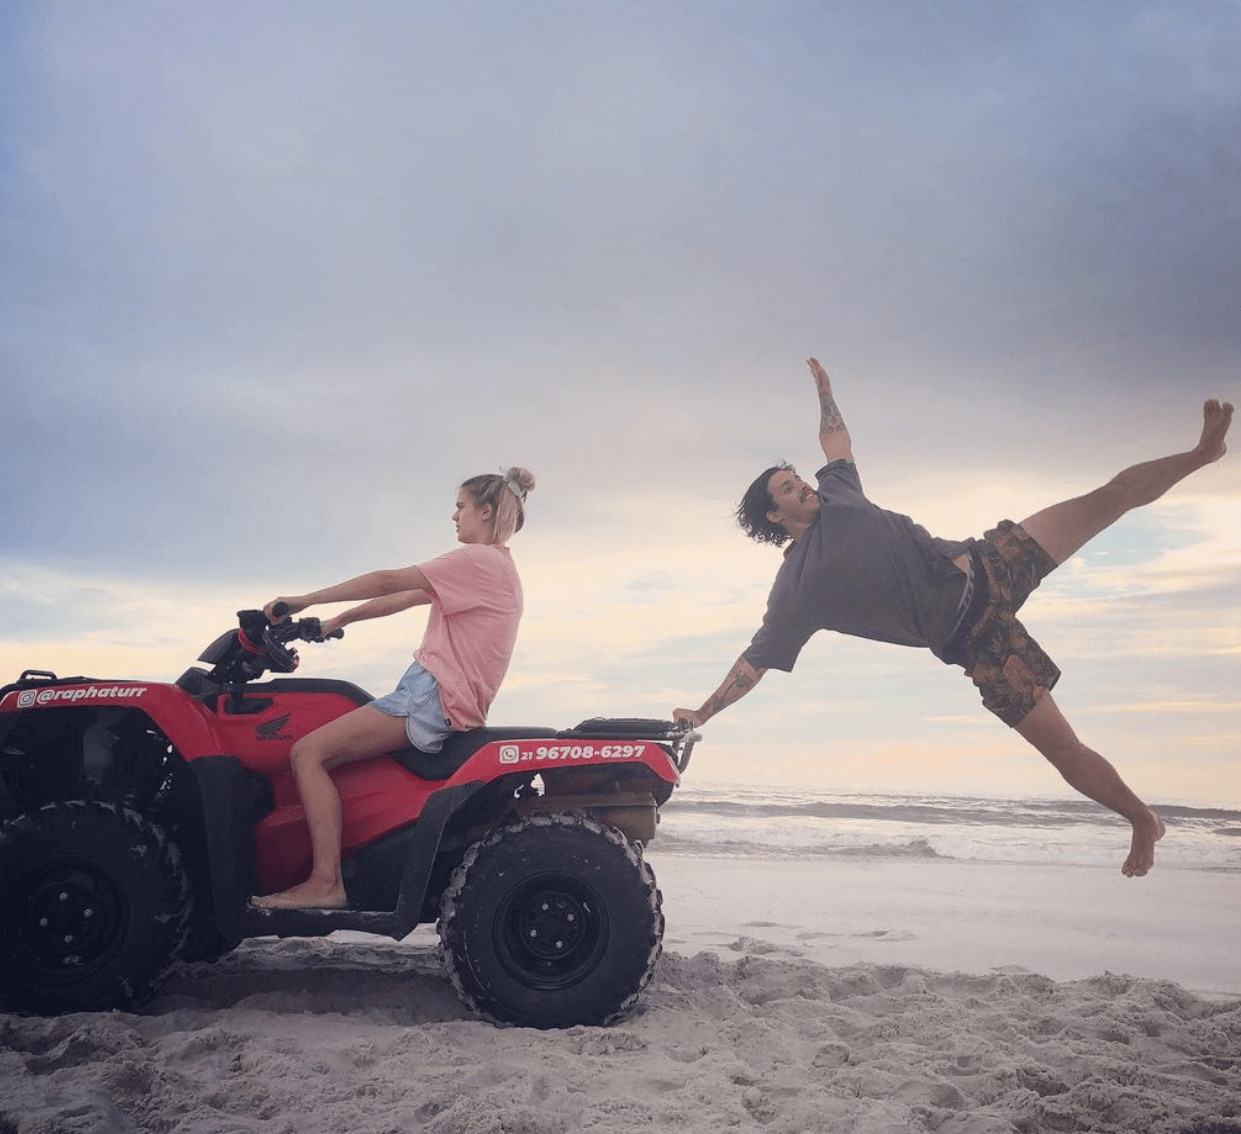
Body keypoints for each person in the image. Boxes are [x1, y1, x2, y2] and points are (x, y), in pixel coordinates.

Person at [673, 359, 1233, 878]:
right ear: (775, 515)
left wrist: (825, 391)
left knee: (1107, 498)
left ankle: (1201, 454)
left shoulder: (839, 491)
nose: (804, 486)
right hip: (977, 642)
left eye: (798, 478)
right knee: (1064, 751)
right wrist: (702, 712)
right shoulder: (797, 588)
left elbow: (836, 441)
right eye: (789, 489)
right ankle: (1141, 819)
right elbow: (755, 661)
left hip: (990, 564)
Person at [253, 466, 536, 909]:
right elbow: (402, 598)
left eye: (460, 506)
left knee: (307, 753)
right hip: (438, 697)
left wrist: (305, 600)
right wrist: (339, 620)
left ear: (485, 511)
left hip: (430, 697)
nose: (454, 515)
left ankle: (325, 882)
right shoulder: (494, 568)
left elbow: (388, 580)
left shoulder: (477, 560)